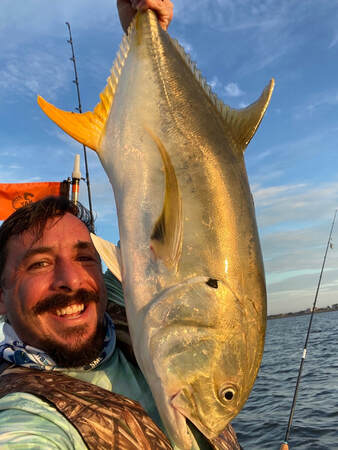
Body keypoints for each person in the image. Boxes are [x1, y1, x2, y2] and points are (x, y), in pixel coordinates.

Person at [0, 3, 241, 449]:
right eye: (37, 264)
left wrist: (139, 28)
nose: (71, 279)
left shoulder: (120, 307)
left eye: (85, 255)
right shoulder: (26, 415)